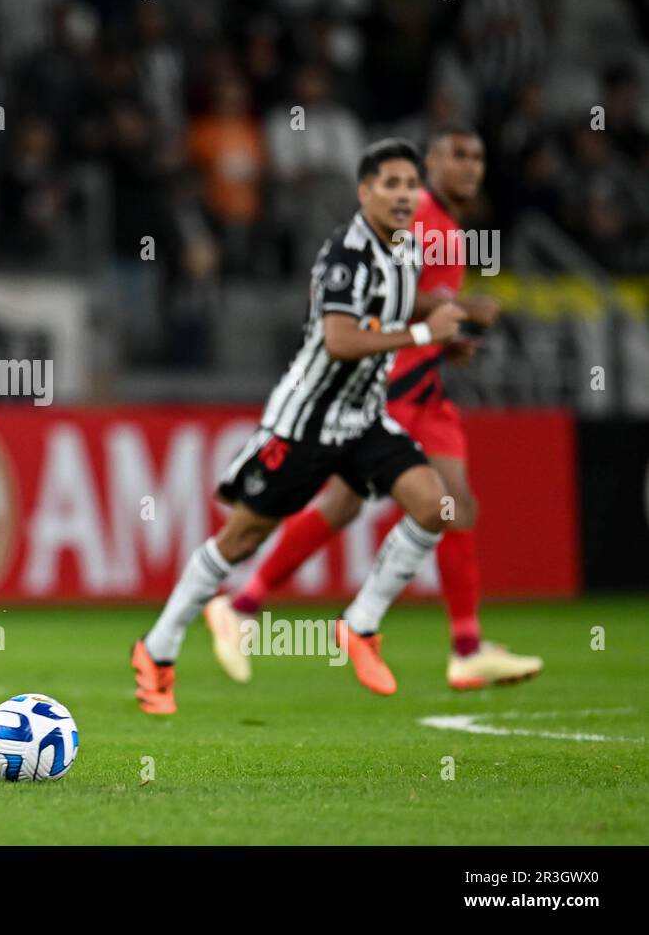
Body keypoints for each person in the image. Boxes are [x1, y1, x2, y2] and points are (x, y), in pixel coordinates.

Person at [133, 138, 465, 712]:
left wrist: (444, 313)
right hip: (305, 423)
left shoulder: (407, 249)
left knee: (433, 505)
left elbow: (394, 305)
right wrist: (422, 334)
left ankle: (360, 625)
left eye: (411, 185)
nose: (404, 195)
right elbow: (339, 340)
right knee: (241, 539)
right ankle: (158, 651)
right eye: (391, 184)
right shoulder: (346, 255)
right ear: (364, 193)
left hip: (362, 420)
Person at [206, 128, 542, 691]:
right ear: (431, 163)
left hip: (423, 385)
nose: (469, 167)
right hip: (394, 387)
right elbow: (386, 291)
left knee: (445, 503)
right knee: (360, 504)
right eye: (455, 155)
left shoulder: (448, 229)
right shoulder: (423, 221)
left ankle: (465, 647)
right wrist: (453, 311)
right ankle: (243, 606)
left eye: (477, 156)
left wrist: (446, 340)